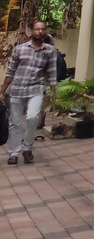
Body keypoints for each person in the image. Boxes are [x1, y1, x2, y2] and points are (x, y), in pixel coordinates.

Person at [2, 21, 59, 165]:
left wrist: (53, 91)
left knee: (33, 117)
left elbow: (52, 72)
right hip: (17, 89)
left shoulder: (50, 51)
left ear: (45, 31)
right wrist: (2, 91)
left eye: (42, 29)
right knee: (14, 122)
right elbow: (11, 70)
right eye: (37, 29)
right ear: (31, 31)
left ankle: (27, 148)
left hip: (36, 89)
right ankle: (14, 152)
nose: (40, 31)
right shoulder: (20, 49)